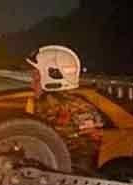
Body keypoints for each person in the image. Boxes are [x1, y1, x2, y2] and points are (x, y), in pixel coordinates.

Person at [25, 45, 106, 173]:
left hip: (68, 178)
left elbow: (87, 151)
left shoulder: (65, 106)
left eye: (36, 78)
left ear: (52, 77)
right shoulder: (77, 104)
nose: (31, 84)